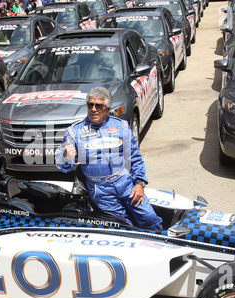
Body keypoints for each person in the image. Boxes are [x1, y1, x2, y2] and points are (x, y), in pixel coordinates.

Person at [55, 87, 162, 230]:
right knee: (123, 226)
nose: (93, 109)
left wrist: (139, 184)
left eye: (99, 106)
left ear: (107, 108)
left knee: (149, 218)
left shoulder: (121, 127)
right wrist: (65, 156)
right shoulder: (74, 131)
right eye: (90, 105)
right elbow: (62, 166)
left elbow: (134, 158)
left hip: (125, 183)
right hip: (100, 190)